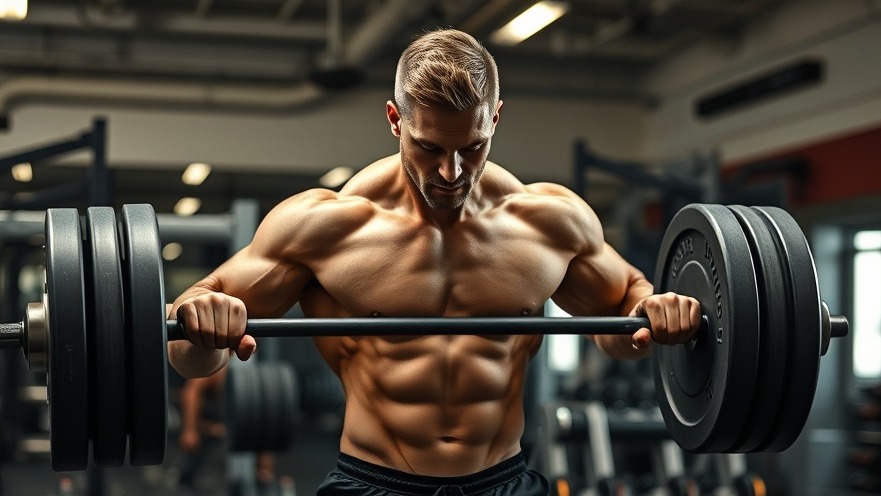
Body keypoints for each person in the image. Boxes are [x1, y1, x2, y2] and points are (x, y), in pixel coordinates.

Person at [167, 28, 701, 495]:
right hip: (374, 483)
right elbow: (192, 355)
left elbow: (620, 330)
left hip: (505, 479)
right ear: (395, 120)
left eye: (472, 147)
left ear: (494, 118)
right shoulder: (324, 227)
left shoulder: (549, 222)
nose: (451, 172)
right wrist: (203, 325)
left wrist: (655, 314)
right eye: (429, 147)